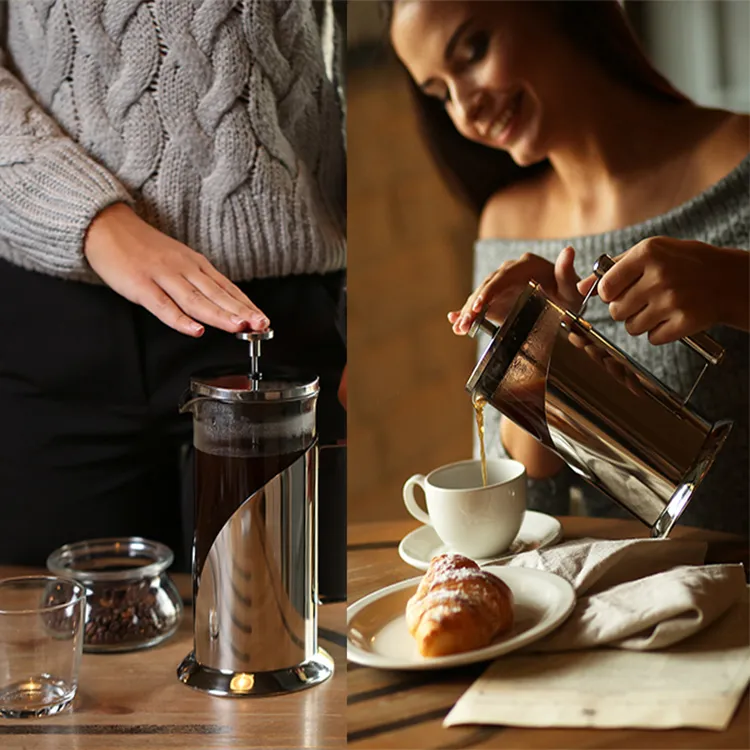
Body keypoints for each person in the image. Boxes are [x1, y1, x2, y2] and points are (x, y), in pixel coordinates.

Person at [0, 0, 347, 568]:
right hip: (54, 327)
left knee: (290, 637)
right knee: (67, 643)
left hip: (278, 328)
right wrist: (95, 222)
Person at [389, 0, 749, 534]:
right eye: (441, 94)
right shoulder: (504, 225)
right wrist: (538, 357)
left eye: (474, 51)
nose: (466, 108)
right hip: (605, 606)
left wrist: (734, 286)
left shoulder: (739, 164)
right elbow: (526, 500)